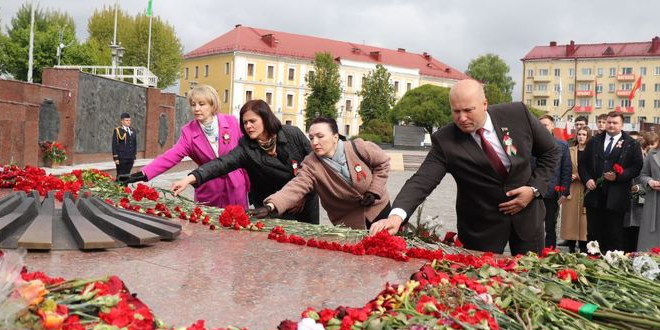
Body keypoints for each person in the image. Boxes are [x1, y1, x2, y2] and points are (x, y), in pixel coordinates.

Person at [369, 79, 559, 254]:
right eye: (456, 111)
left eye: (468, 110)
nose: (462, 118)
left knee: (530, 276)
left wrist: (533, 189)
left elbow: (551, 152)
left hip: (528, 218)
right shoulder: (445, 141)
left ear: (485, 104)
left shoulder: (517, 114)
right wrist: (396, 216)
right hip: (481, 229)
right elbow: (421, 181)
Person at [170, 100, 319, 223]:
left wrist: (302, 196)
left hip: (304, 203)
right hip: (271, 207)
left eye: (252, 121)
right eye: (245, 122)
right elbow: (221, 164)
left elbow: (316, 166)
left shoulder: (292, 134)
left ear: (266, 119)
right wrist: (189, 179)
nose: (248, 126)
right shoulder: (246, 148)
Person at [118, 85, 250, 209]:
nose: (196, 109)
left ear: (212, 105)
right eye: (193, 105)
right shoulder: (189, 132)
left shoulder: (232, 122)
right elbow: (170, 156)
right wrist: (142, 174)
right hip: (209, 190)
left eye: (201, 104)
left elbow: (248, 151)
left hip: (236, 186)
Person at [255, 117, 391, 229]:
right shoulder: (311, 164)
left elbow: (383, 163)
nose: (315, 142)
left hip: (378, 209)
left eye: (320, 136)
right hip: (349, 222)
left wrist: (374, 191)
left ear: (335, 137)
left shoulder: (359, 147)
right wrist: (271, 206)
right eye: (311, 138)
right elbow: (295, 187)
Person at [579, 111, 644, 253]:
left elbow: (637, 166)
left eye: (615, 123)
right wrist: (587, 179)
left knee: (614, 233)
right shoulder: (594, 141)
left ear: (622, 125)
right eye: (609, 122)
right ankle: (593, 258)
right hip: (595, 194)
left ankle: (612, 260)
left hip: (617, 196)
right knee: (593, 232)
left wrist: (619, 176)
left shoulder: (631, 144)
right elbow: (583, 164)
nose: (611, 125)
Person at [538, 115, 571, 249]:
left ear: (552, 126)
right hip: (535, 191)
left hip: (553, 192)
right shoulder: (533, 143)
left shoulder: (562, 145)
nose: (542, 128)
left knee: (550, 226)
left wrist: (564, 192)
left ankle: (549, 251)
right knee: (534, 225)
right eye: (540, 125)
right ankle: (533, 251)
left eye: (545, 125)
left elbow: (566, 169)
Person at [560, 127, 589, 253]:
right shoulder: (570, 150)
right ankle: (571, 247)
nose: (581, 137)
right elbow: (564, 166)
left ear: (588, 136)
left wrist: (581, 176)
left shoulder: (591, 151)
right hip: (571, 188)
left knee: (584, 220)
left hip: (586, 188)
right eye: (579, 134)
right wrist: (569, 176)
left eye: (584, 134)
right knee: (570, 219)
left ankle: (583, 247)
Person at [623, 135, 648, 253]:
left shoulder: (648, 162)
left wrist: (639, 188)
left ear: (644, 149)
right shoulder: (626, 161)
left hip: (641, 204)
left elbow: (652, 181)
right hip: (626, 203)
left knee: (638, 235)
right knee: (625, 234)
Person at [112, 112, 137, 180]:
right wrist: (116, 158)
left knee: (127, 175)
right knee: (120, 175)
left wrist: (134, 156)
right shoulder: (118, 130)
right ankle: (118, 186)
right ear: (122, 121)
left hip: (130, 157)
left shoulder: (133, 130)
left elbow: (134, 144)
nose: (129, 122)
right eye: (127, 120)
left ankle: (125, 186)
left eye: (129, 120)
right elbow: (114, 144)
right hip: (121, 157)